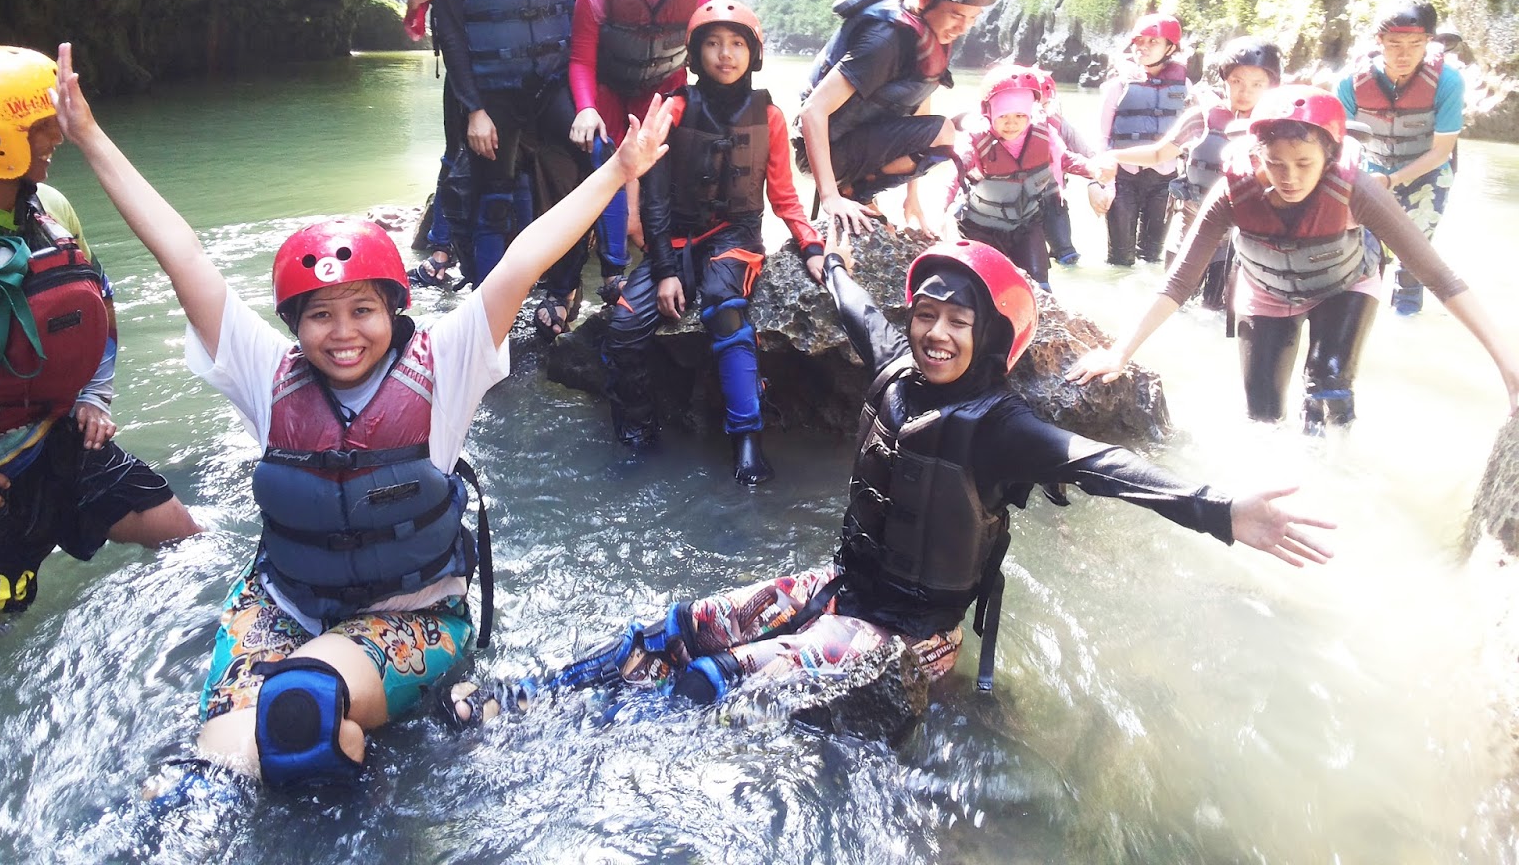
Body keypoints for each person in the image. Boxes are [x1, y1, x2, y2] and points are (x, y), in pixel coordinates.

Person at [51, 43, 673, 787]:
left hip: (412, 615)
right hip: (285, 606)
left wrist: (619, 169)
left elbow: (521, 260)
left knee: (302, 711)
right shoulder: (267, 376)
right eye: (320, 315)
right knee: (211, 774)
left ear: (393, 311)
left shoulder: (445, 365)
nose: (342, 333)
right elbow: (181, 253)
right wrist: (88, 135)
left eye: (362, 311)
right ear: (294, 324)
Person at [443, 233, 1334, 729]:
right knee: (679, 626)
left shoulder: (1004, 428)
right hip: (846, 587)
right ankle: (531, 699)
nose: (935, 333)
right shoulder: (895, 373)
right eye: (928, 314)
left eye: (958, 323)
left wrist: (1222, 510)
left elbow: (1104, 468)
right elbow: (861, 311)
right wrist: (823, 258)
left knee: (713, 680)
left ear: (992, 340)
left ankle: (553, 737)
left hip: (908, 636)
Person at [0, 46, 201, 626]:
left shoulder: (51, 207)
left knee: (180, 533)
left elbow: (100, 302)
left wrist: (95, 395)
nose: (57, 138)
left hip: (66, 437)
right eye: (41, 126)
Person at [1068, 86, 1519, 432]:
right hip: (1267, 292)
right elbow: (1179, 281)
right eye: (1276, 163)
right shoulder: (1232, 192)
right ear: (1256, 155)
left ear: (1330, 155)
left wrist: (1508, 367)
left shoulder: (1357, 190)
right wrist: (1119, 352)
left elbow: (1439, 277)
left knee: (1329, 385)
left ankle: (1337, 466)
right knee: (1262, 415)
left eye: (1304, 163)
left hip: (1344, 286)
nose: (1290, 177)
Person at [601, 0, 824, 482]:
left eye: (737, 43)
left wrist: (810, 245)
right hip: (676, 237)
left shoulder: (770, 116)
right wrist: (664, 271)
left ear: (753, 53)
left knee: (725, 307)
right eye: (714, 44)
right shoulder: (676, 109)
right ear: (696, 53)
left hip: (736, 235)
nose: (726, 54)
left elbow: (785, 196)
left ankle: (747, 440)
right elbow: (655, 199)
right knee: (624, 326)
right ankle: (637, 435)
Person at [423, 0, 591, 339]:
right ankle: (489, 309)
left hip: (548, 83)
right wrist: (474, 110)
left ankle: (562, 290)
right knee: (493, 194)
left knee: (585, 167)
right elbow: (451, 32)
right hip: (492, 91)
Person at [795, 0, 999, 236]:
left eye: (973, 18)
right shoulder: (884, 42)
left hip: (856, 139)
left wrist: (911, 195)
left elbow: (919, 108)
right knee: (945, 131)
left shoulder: (930, 30)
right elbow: (812, 111)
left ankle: (859, 190)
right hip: (824, 147)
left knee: (942, 131)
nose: (963, 28)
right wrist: (830, 197)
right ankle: (853, 192)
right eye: (957, 15)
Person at [567, 0, 710, 296]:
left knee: (667, 152)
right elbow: (581, 60)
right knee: (609, 150)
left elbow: (711, 48)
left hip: (663, 87)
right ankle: (614, 266)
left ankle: (666, 240)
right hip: (611, 88)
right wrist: (585, 108)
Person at [1101, 37, 1282, 309]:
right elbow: (1158, 153)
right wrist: (1113, 155)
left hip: (1236, 246)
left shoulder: (1277, 130)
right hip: (1188, 238)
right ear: (1225, 79)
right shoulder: (1201, 119)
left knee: (1218, 314)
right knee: (1176, 310)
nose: (1245, 92)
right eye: (1237, 81)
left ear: (1272, 86)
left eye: (1257, 84)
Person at [1336, 0, 1466, 316]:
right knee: (1364, 249)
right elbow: (1340, 144)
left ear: (1429, 42)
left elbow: (1442, 150)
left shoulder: (1448, 82)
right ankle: (1358, 314)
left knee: (1413, 252)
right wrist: (1364, 180)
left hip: (1427, 171)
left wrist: (1392, 179)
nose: (1404, 54)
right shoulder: (1350, 82)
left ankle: (1406, 314)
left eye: (1415, 44)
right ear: (1379, 41)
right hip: (1370, 168)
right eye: (1394, 44)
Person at [947, 65, 1108, 287]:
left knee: (1040, 287)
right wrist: (938, 214)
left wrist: (1093, 169)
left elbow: (1064, 159)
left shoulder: (1044, 134)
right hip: (980, 228)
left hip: (1026, 225)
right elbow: (954, 175)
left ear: (1029, 113)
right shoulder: (975, 139)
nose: (1012, 123)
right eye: (1003, 115)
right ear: (989, 112)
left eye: (1020, 115)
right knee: (988, 288)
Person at [1091, 14, 1190, 267]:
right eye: (1139, 41)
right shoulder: (1117, 86)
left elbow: (1195, 134)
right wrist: (1101, 183)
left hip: (1164, 181)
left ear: (1170, 48)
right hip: (1123, 178)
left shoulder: (1185, 87)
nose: (1143, 47)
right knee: (1120, 259)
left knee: (1152, 257)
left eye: (1153, 41)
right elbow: (1102, 138)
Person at [1029, 66, 1096, 267]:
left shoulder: (1060, 125)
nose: (1040, 112)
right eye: (1034, 105)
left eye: (1045, 105)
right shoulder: (1003, 124)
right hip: (1017, 204)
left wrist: (1099, 182)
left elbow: (1089, 155)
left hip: (1052, 199)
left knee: (1067, 256)